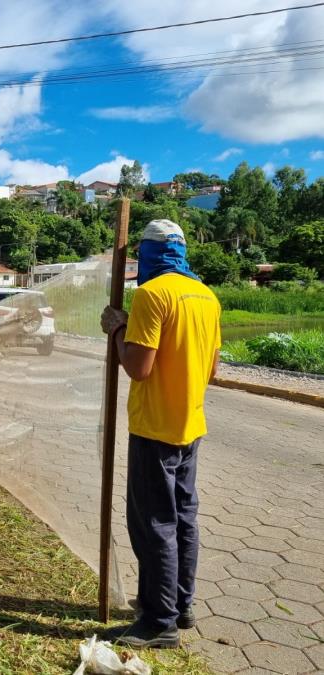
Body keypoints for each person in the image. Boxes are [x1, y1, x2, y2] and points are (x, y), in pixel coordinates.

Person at [100, 219, 221, 649]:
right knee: (184, 518)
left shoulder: (152, 295)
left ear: (149, 257)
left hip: (155, 428)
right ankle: (181, 605)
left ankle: (158, 621)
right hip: (191, 426)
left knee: (154, 524)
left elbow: (138, 367)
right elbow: (211, 369)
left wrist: (117, 329)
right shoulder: (206, 296)